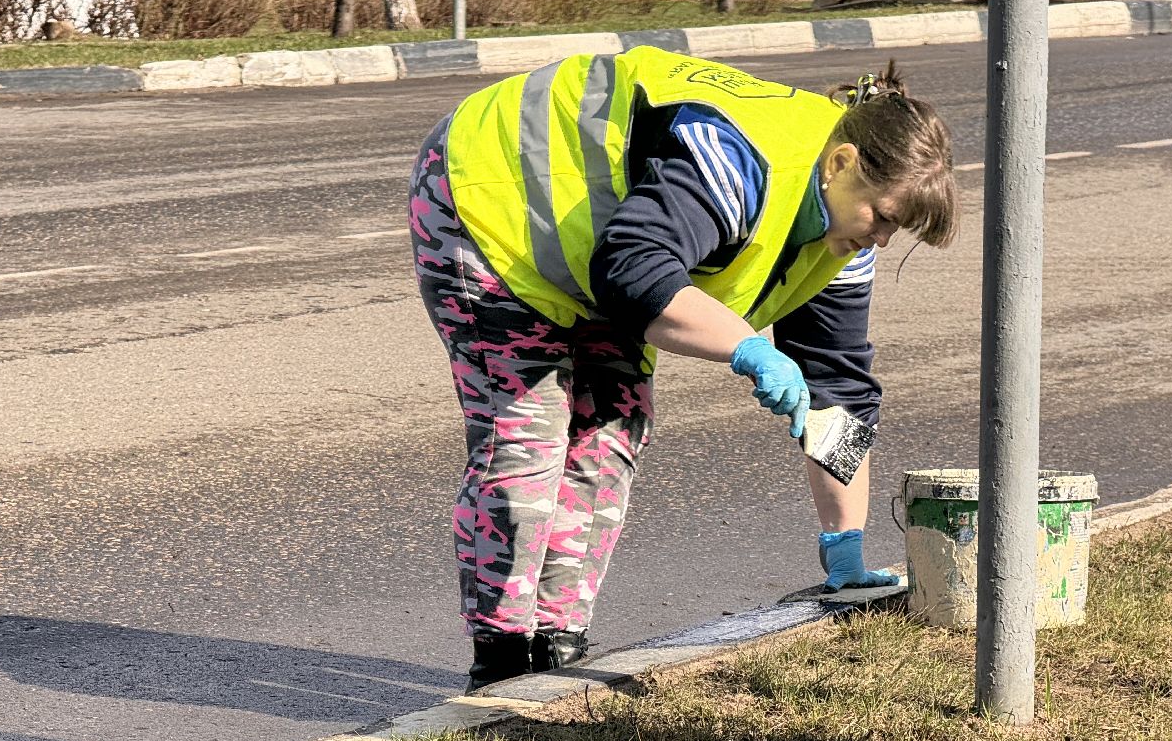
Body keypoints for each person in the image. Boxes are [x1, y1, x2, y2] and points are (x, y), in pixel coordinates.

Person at [408, 46, 958, 691]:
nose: (883, 239)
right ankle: (500, 666)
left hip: (599, 241)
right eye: (886, 218)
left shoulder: (847, 239)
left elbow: (838, 391)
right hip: (490, 199)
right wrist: (746, 347)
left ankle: (557, 650)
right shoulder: (737, 164)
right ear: (842, 165)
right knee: (527, 436)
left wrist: (846, 543)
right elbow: (634, 272)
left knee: (613, 427)